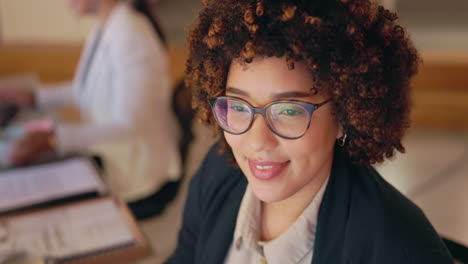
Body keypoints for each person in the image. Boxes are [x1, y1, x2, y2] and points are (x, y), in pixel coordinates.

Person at [167, 0, 453, 263]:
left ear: (344, 114)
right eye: (239, 106)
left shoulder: (398, 248)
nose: (256, 142)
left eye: (289, 111)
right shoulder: (218, 172)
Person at [0, 0, 182, 219]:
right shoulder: (107, 25)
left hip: (138, 181)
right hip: (113, 157)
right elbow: (84, 89)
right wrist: (35, 97)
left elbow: (129, 126)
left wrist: (53, 139)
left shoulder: (131, 36)